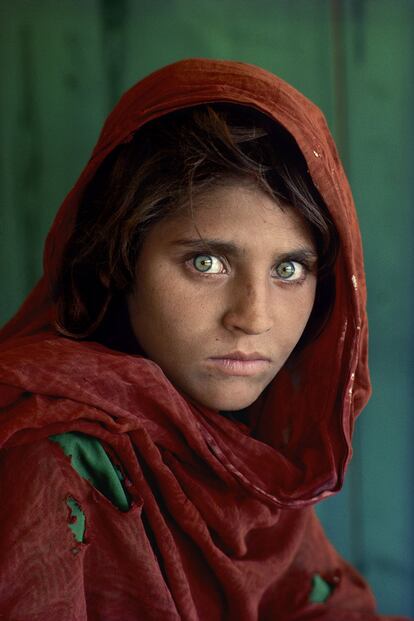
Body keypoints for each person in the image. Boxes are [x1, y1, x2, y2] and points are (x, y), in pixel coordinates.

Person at [0, 58, 408, 620]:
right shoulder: (52, 457)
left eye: (289, 270)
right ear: (116, 260)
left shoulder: (247, 457)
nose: (254, 318)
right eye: (207, 261)